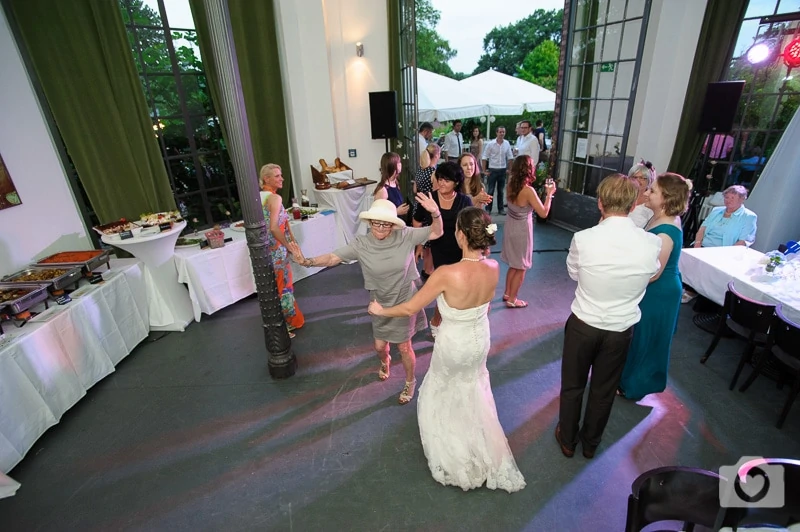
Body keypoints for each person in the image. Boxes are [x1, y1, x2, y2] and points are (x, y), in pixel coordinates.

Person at [368, 207, 526, 493]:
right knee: (473, 385)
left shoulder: (446, 274)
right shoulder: (493, 267)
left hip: (455, 342)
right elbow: (486, 305)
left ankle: (456, 445)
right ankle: (478, 438)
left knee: (447, 386)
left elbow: (410, 307)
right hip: (480, 339)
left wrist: (381, 310)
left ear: (461, 235)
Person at [287, 194, 443, 404]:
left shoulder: (406, 235)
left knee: (404, 347)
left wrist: (435, 212)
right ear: (369, 222)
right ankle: (385, 360)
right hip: (379, 302)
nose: (379, 227)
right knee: (380, 346)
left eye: (385, 224)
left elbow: (436, 231)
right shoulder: (362, 244)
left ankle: (410, 381)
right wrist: (307, 261)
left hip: (405, 299)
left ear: (392, 224)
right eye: (375, 223)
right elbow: (334, 257)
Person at [556, 174, 661, 459]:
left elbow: (573, 274)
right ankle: (590, 443)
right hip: (621, 329)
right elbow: (651, 274)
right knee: (604, 389)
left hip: (584, 324)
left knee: (573, 385)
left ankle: (567, 439)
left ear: (600, 203)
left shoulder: (584, 238)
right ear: (632, 204)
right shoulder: (651, 243)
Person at [618, 173, 692, 400]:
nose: (647, 193)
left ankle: (634, 386)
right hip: (658, 288)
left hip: (659, 291)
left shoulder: (666, 232)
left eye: (653, 191)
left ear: (667, 198)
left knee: (646, 337)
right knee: (641, 334)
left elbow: (654, 273)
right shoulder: (660, 217)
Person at [413, 162, 473, 334]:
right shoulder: (429, 198)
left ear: (456, 182)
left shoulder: (464, 200)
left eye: (446, 180)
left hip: (460, 249)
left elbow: (470, 226)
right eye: (439, 179)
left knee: (458, 287)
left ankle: (452, 320)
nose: (441, 183)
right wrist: (419, 245)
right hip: (438, 248)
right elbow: (417, 221)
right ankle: (437, 319)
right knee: (444, 288)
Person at [501, 155, 556, 308]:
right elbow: (544, 213)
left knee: (514, 263)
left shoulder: (511, 184)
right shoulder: (528, 191)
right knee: (521, 266)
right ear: (529, 170)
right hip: (521, 230)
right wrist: (549, 194)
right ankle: (513, 299)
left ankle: (507, 293)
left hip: (510, 225)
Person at [260, 164, 305, 337]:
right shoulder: (275, 199)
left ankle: (278, 323)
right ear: (267, 179)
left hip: (266, 250)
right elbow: (274, 227)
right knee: (284, 287)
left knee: (272, 288)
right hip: (277, 250)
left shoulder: (259, 197)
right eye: (277, 176)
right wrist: (289, 246)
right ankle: (287, 324)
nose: (282, 179)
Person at [482, 126, 514, 215]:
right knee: (490, 191)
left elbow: (510, 157)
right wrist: (484, 170)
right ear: (496, 133)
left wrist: (509, 169)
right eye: (500, 132)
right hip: (492, 170)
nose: (502, 134)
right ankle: (488, 209)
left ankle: (501, 209)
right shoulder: (491, 144)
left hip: (502, 170)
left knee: (501, 191)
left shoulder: (507, 144)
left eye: (503, 132)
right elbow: (484, 157)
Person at [373, 152, 410, 221]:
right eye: (398, 162)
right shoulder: (383, 190)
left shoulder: (395, 182)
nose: (401, 164)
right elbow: (378, 215)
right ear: (392, 166)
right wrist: (396, 212)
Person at [628, 160, 657, 228]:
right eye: (634, 177)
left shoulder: (651, 202)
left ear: (649, 181)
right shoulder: (622, 196)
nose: (637, 180)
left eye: (642, 178)